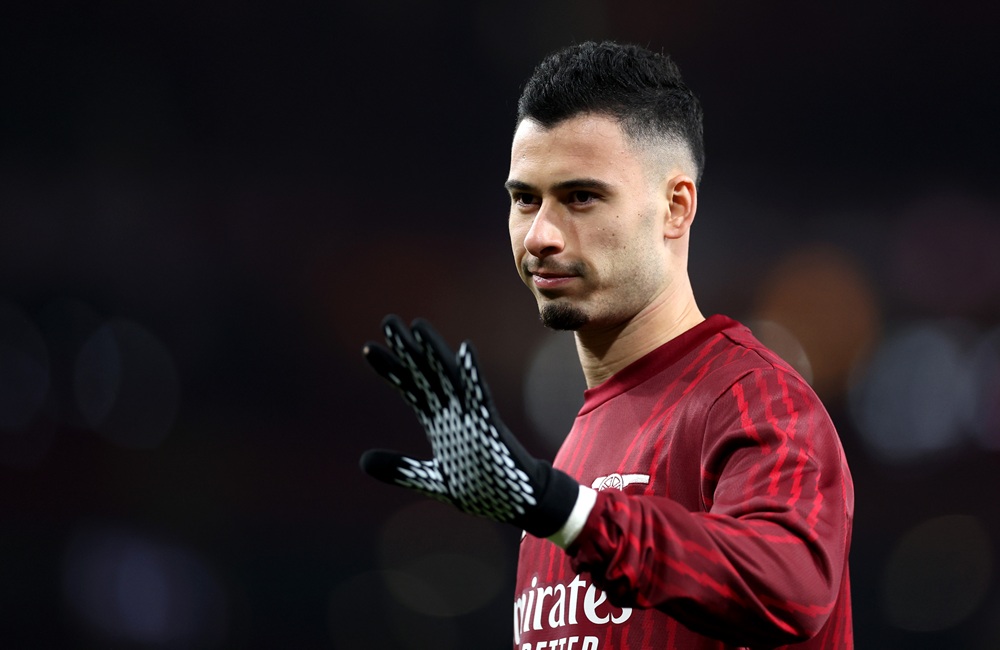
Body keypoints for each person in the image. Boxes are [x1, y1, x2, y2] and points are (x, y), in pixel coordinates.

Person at [360, 41, 853, 649]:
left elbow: (791, 587)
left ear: (675, 207)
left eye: (580, 198)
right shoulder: (569, 458)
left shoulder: (751, 397)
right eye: (524, 200)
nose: (539, 235)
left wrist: (567, 512)